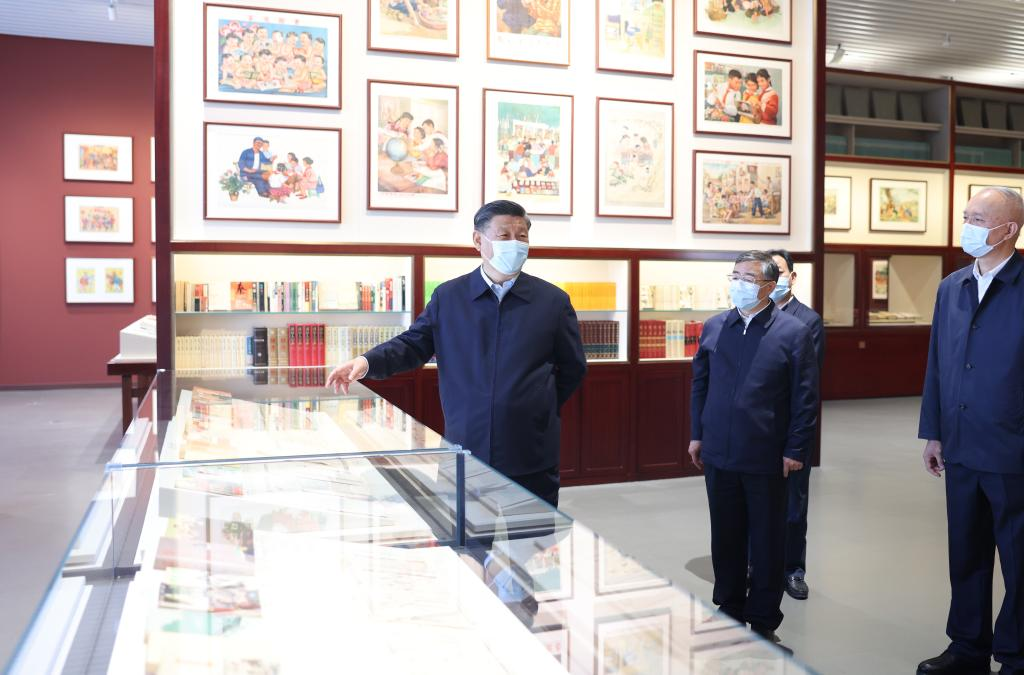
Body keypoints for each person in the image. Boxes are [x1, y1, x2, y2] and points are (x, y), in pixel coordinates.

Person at [326, 200, 587, 507]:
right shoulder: (449, 297)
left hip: (530, 450)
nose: (515, 243)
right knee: (466, 535)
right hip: (465, 447)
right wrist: (367, 361)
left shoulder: (553, 301)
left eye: (522, 236)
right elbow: (413, 344)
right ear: (478, 240)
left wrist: (535, 404)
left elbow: (573, 368)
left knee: (532, 534)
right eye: (504, 235)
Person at [917, 186, 1024, 675]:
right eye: (967, 216)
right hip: (960, 444)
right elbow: (938, 364)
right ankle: (967, 647)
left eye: (979, 218)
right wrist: (933, 432)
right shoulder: (952, 287)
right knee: (966, 552)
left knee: (1018, 560)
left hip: (1011, 448)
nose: (968, 226)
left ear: (1009, 229)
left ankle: (1016, 655)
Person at [689, 251, 818, 645]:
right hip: (719, 451)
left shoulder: (793, 332)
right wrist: (697, 434)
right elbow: (700, 384)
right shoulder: (715, 326)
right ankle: (728, 607)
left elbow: (805, 397)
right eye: (735, 276)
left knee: (767, 540)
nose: (738, 284)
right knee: (725, 535)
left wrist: (796, 448)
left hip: (767, 454)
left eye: (748, 278)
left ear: (769, 286)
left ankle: (763, 618)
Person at [767, 249, 825, 601]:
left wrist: (798, 440)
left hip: (791, 429)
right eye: (768, 270)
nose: (775, 276)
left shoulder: (807, 321)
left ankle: (792, 570)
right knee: (758, 503)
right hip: (759, 429)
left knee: (793, 505)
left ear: (792, 276)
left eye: (780, 270)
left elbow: (807, 386)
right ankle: (758, 565)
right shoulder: (754, 316)